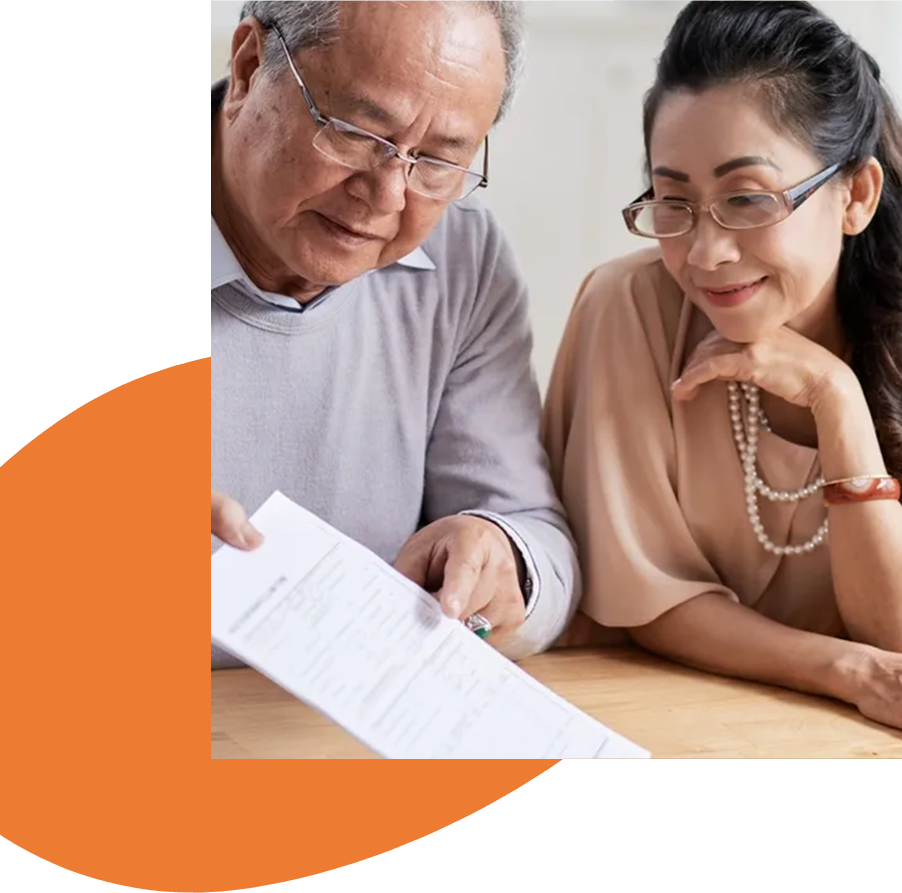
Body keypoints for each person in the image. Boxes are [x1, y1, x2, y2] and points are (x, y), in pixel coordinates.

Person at [543, 1, 902, 727]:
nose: (705, 255)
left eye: (746, 199)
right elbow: (646, 596)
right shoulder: (630, 309)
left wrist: (836, 398)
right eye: (674, 202)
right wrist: (839, 667)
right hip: (645, 724)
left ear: (855, 195)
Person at [211, 1, 580, 667]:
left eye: (438, 159)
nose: (387, 194)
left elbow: (542, 551)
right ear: (247, 69)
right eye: (355, 131)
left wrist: (500, 558)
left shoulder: (464, 259)